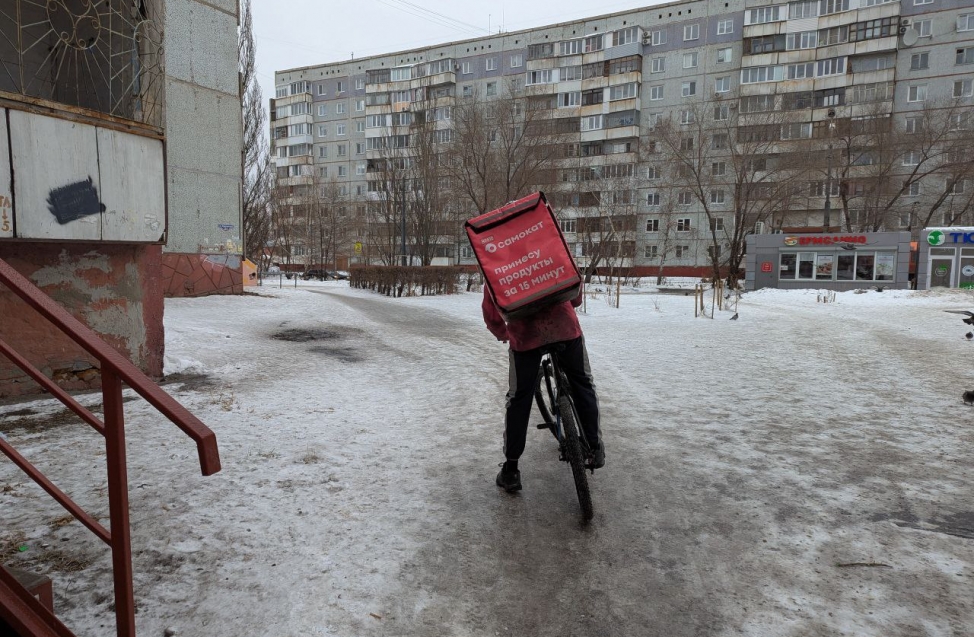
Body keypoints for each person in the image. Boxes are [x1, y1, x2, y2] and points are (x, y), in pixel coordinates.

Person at [482, 285, 603, 493]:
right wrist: (571, 302)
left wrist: (502, 332)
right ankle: (594, 447)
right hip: (564, 326)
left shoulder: (499, 257)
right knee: (583, 383)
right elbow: (573, 284)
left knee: (519, 397)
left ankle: (511, 469)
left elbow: (492, 307)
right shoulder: (549, 250)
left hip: (525, 335)